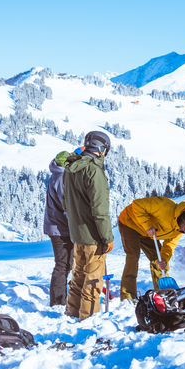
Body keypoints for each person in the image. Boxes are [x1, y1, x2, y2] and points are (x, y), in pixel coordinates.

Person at [63, 130, 114, 320]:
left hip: (76, 233)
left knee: (78, 275)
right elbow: (100, 210)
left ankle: (72, 313)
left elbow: (65, 201)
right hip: (93, 236)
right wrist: (107, 237)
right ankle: (88, 320)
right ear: (101, 149)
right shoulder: (94, 171)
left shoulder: (71, 168)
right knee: (93, 280)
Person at [117, 197, 185, 299]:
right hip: (130, 223)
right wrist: (147, 225)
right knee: (133, 256)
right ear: (184, 220)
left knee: (158, 258)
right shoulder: (165, 206)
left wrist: (164, 259)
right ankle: (128, 295)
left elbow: (169, 245)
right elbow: (137, 204)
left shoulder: (179, 230)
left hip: (148, 232)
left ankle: (161, 293)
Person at [43, 150, 73, 306]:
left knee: (66, 264)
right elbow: (66, 205)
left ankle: (60, 298)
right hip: (60, 228)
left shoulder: (56, 174)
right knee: (63, 264)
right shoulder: (62, 178)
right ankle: (58, 301)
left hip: (57, 226)